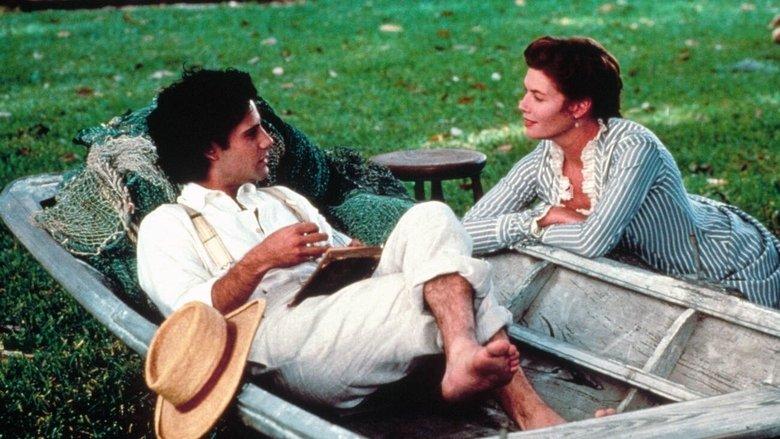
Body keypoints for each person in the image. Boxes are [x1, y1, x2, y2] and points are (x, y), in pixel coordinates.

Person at [136, 68, 586, 430]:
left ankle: (462, 353)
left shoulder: (281, 199)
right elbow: (187, 320)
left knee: (430, 218)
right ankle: (527, 410)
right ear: (212, 150)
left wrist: (355, 253)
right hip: (276, 342)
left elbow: (345, 256)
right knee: (436, 288)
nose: (269, 142)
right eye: (252, 134)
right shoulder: (169, 225)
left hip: (343, 311)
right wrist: (260, 261)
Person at [463, 36, 779, 309]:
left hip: (725, 268)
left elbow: (592, 242)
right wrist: (539, 219)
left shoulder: (634, 147)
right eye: (526, 92)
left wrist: (533, 229)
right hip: (650, 285)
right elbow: (465, 233)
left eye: (538, 97)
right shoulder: (545, 159)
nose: (522, 105)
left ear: (578, 107)